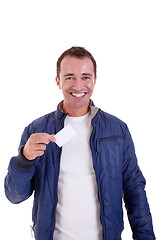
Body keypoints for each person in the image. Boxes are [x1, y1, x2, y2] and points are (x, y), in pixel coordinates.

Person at [4, 46, 155, 240]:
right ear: (58, 81)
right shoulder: (36, 130)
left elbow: (135, 190)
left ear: (94, 80)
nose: (78, 85)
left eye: (85, 77)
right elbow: (14, 196)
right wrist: (24, 159)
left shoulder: (118, 130)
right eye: (69, 77)